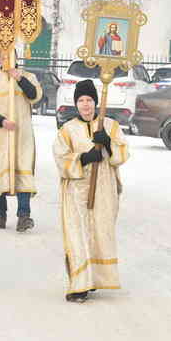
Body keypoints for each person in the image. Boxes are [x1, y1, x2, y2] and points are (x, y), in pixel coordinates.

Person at [53, 79, 129, 302]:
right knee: (78, 236)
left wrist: (107, 144)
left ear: (95, 102)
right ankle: (79, 285)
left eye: (89, 100)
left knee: (99, 234)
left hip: (103, 188)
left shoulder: (110, 125)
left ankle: (94, 278)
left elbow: (123, 154)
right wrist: (84, 158)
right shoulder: (67, 130)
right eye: (81, 100)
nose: (85, 105)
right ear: (76, 103)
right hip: (76, 191)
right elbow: (60, 158)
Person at [0, 60, 43, 231]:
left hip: (22, 134)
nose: (6, 58)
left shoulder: (28, 76)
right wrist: (0, 121)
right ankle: (0, 214)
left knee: (22, 170)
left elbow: (35, 96)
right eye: (3, 54)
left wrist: (20, 79)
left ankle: (24, 216)